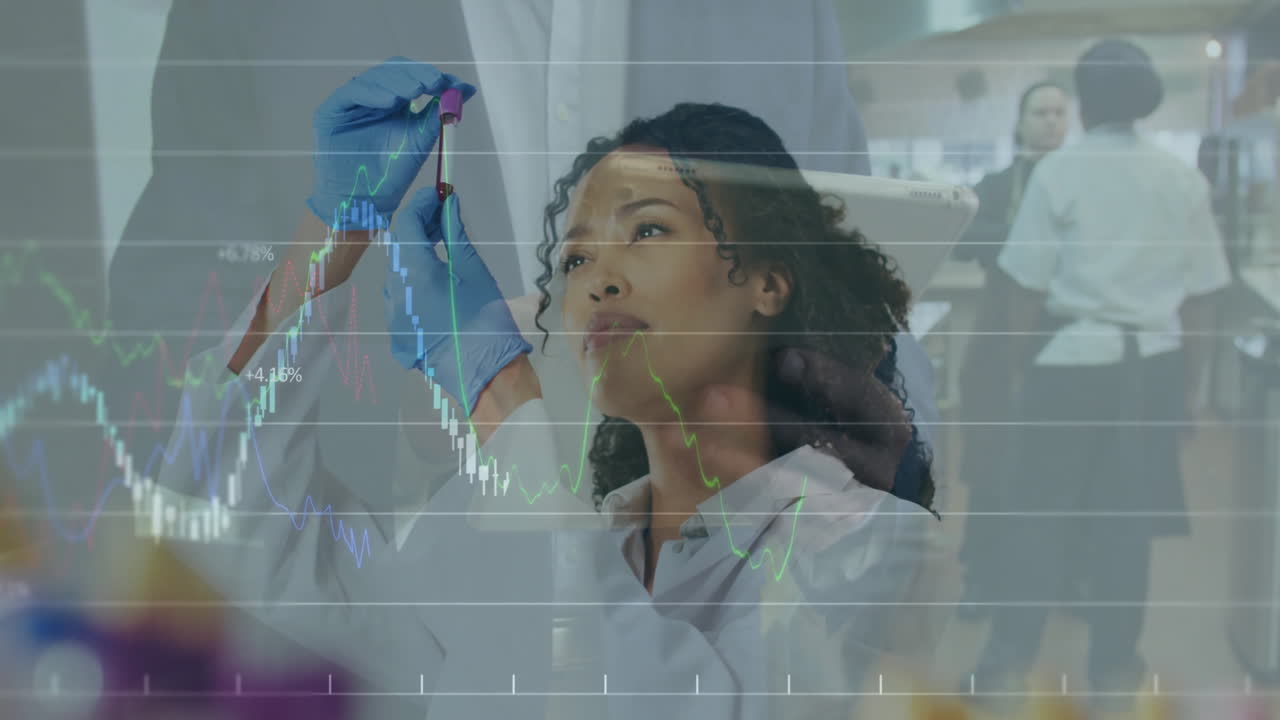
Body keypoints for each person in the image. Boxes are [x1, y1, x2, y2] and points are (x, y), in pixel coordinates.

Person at [161, 58, 943, 718]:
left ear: (769, 280)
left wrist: (501, 395)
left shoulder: (864, 541)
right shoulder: (520, 522)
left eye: (648, 229)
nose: (598, 280)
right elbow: (238, 549)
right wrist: (335, 233)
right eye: (576, 258)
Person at [964, 39, 1231, 715]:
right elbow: (1202, 298)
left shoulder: (1061, 173)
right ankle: (1115, 667)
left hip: (1069, 365)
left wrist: (1021, 370)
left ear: (1083, 104)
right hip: (1152, 368)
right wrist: (1190, 388)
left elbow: (1025, 287)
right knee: (1126, 528)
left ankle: (1007, 663)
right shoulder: (1180, 179)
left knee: (1035, 519)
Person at [952, 81, 1069, 619]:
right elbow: (965, 237)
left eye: (1059, 112)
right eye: (1040, 112)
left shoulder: (1081, 182)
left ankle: (1065, 578)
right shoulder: (997, 185)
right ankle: (982, 577)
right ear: (1020, 122)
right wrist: (1031, 238)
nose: (1050, 121)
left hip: (1065, 339)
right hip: (999, 343)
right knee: (991, 461)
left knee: (1063, 465)